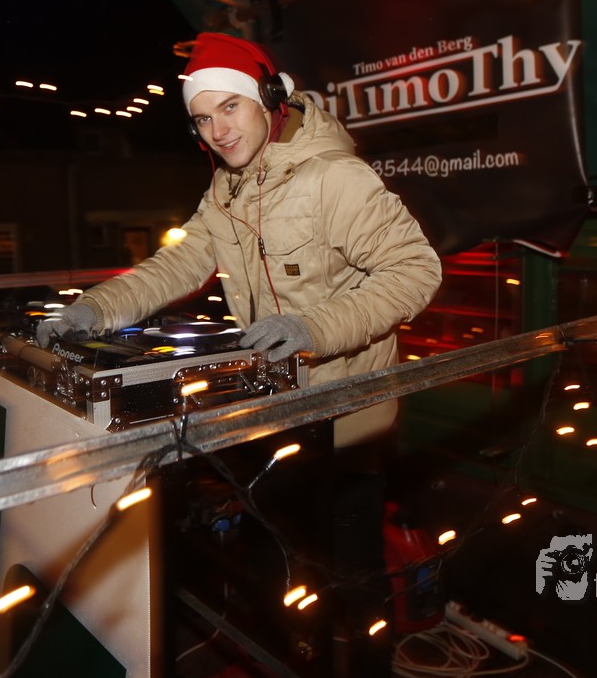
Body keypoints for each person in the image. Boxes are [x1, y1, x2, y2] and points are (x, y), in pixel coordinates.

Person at [37, 31, 441, 450]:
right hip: (275, 399)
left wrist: (313, 327)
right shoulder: (227, 188)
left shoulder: (335, 177)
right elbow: (179, 263)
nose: (219, 131)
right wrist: (95, 308)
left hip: (345, 408)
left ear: (268, 99)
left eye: (230, 106)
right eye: (203, 119)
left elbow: (415, 271)